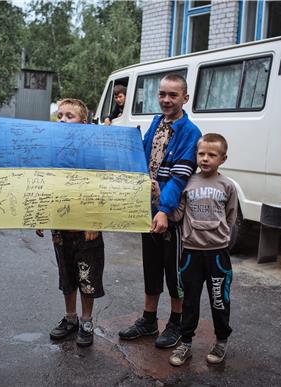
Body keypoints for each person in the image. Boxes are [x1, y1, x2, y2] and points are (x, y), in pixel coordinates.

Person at [119, 74, 201, 349]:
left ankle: (177, 323)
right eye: (162, 94)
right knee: (151, 267)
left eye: (173, 95)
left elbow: (179, 177)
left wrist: (164, 210)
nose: (166, 100)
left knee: (174, 271)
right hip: (148, 209)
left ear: (185, 98)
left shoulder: (191, 132)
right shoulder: (156, 122)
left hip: (171, 214)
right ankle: (149, 319)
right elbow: (141, 160)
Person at [36, 98, 105, 347]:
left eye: (70, 116)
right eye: (60, 116)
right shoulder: (53, 151)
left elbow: (101, 186)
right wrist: (41, 214)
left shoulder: (92, 151)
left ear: (83, 122)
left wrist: (94, 222)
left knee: (87, 276)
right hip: (60, 225)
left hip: (85, 228)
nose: (63, 120)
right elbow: (44, 182)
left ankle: (87, 321)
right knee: (67, 275)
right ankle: (70, 318)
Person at [167, 133, 237, 366]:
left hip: (217, 254)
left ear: (223, 159)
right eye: (201, 154)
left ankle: (221, 341)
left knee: (219, 299)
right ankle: (185, 342)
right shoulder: (188, 183)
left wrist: (220, 238)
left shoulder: (228, 186)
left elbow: (230, 216)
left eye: (212, 155)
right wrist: (159, 198)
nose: (205, 158)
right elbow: (178, 214)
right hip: (191, 253)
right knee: (190, 301)